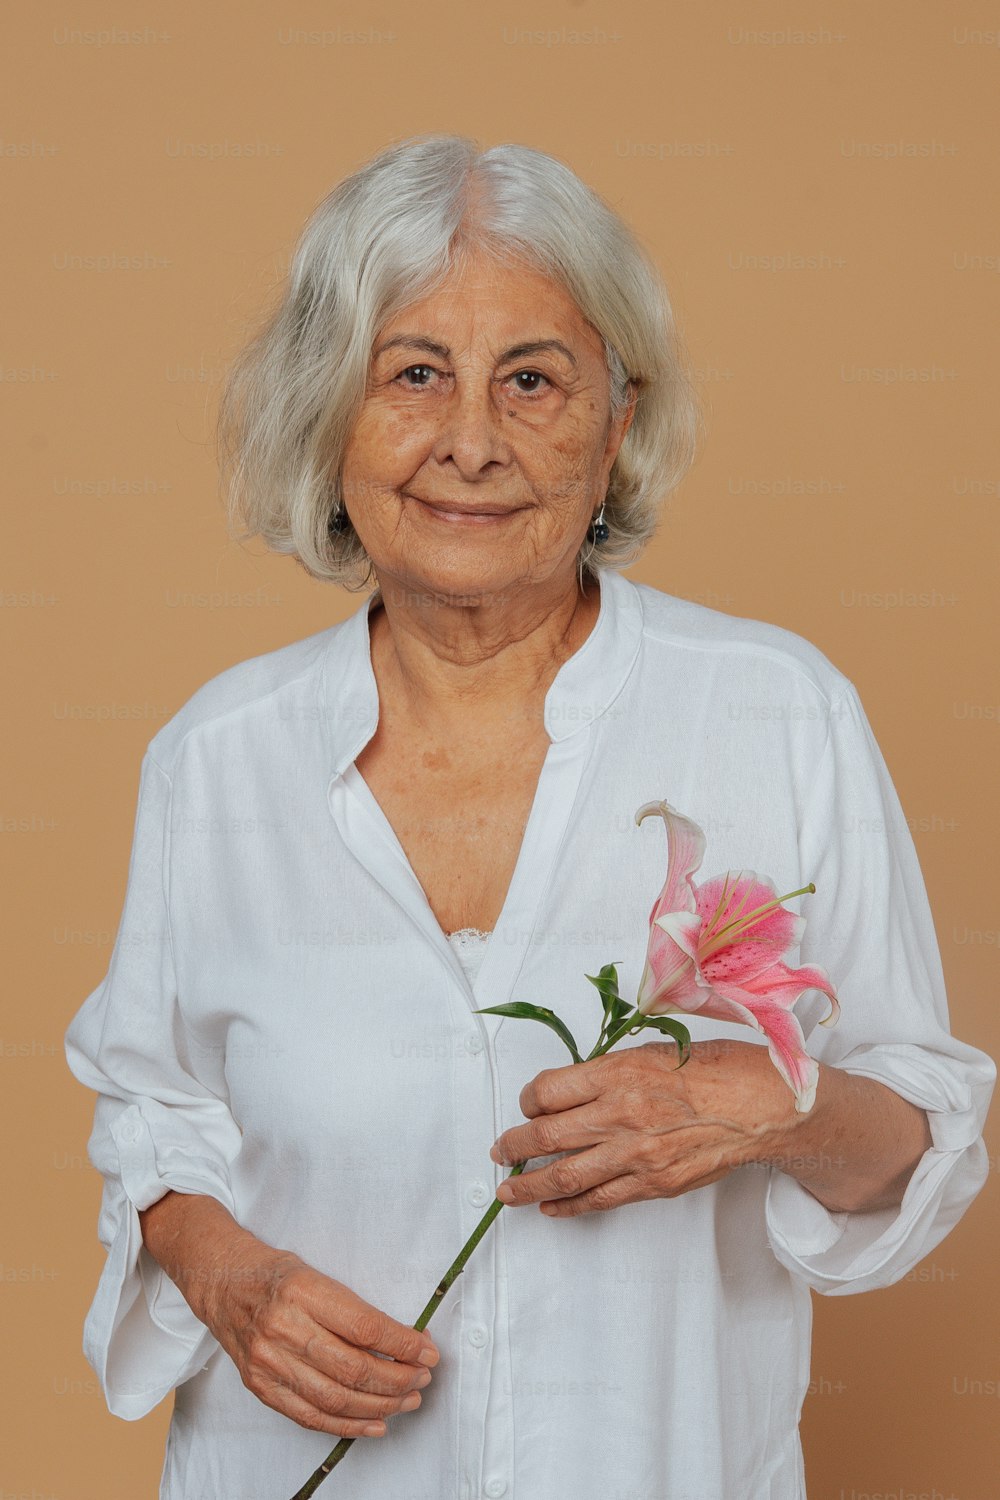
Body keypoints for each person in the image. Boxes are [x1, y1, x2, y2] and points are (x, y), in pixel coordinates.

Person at [64, 134, 995, 1500]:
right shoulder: (218, 759)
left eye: (534, 381)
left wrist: (773, 1107)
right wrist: (226, 1274)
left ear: (617, 423)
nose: (473, 443)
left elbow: (921, 1138)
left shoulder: (776, 712)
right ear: (332, 415)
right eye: (414, 374)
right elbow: (152, 1115)